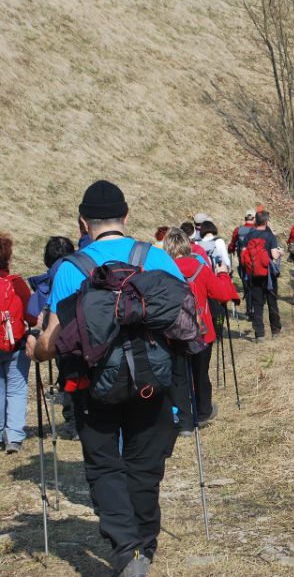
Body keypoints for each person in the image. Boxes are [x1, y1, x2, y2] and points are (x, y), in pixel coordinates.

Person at [26, 180, 186, 576]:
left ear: (83, 221)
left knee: (104, 464)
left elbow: (53, 340)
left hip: (92, 384)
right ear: (127, 217)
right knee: (144, 463)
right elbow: (184, 323)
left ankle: (128, 548)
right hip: (153, 379)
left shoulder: (70, 269)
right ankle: (145, 543)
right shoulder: (156, 258)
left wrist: (36, 350)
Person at [163, 228, 238, 431]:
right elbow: (222, 295)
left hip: (174, 332)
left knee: (179, 377)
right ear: (188, 245)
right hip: (202, 331)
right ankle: (203, 412)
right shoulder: (199, 267)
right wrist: (223, 275)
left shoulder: (162, 269)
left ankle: (185, 422)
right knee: (201, 374)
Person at [26, 236, 78, 440]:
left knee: (68, 376)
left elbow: (34, 311)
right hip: (84, 330)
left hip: (58, 334)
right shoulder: (79, 268)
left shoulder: (50, 277)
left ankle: (73, 423)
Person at [0, 231, 33, 454]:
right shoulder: (16, 283)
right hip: (16, 344)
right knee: (17, 389)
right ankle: (14, 437)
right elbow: (31, 315)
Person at [242, 211, 283, 341]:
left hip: (253, 273)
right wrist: (280, 252)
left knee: (257, 304)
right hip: (268, 274)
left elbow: (244, 253)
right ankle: (275, 330)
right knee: (272, 302)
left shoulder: (249, 235)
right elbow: (274, 255)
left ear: (256, 221)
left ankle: (259, 333)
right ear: (266, 221)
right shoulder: (270, 236)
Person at [228, 210, 257, 319]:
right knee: (255, 286)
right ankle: (254, 309)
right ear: (254, 219)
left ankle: (249, 310)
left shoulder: (238, 230)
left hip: (243, 263)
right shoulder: (258, 230)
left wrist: (231, 250)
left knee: (247, 287)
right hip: (256, 263)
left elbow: (231, 247)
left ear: (245, 218)